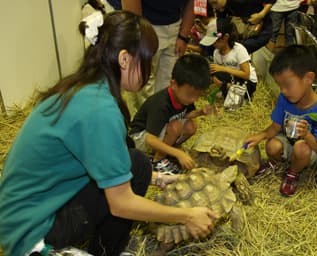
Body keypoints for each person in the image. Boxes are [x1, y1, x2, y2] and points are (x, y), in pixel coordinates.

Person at [0, 11, 217, 256]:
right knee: (133, 176)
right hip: (30, 231)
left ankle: (106, 250)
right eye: (146, 61)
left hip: (28, 209)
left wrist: (158, 178)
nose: (149, 69)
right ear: (124, 59)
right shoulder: (99, 109)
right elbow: (121, 202)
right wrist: (187, 215)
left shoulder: (85, 86)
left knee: (138, 165)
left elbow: (113, 160)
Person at [245, 45, 317, 196]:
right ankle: (276, 163)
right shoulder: (285, 98)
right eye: (280, 86)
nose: (283, 91)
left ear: (308, 78)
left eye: (287, 85)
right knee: (271, 145)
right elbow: (275, 127)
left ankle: (293, 173)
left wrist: (307, 135)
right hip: (286, 140)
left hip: (306, 148)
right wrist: (260, 136)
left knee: (301, 148)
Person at [106, 0, 196, 117]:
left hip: (174, 22)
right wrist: (137, 35)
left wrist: (183, 36)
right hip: (144, 20)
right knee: (142, 82)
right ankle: (140, 124)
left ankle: (159, 120)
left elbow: (194, 3)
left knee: (167, 82)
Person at [130, 54, 215, 175]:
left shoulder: (183, 98)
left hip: (160, 132)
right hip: (140, 138)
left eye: (198, 95)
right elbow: (150, 139)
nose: (193, 99)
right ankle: (157, 161)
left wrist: (200, 112)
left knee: (191, 126)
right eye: (190, 94)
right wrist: (177, 153)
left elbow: (185, 116)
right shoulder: (160, 104)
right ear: (174, 84)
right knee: (176, 127)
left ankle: (167, 152)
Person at [200, 18, 258, 98]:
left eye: (215, 41)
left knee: (222, 77)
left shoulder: (238, 49)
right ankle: (227, 90)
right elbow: (218, 73)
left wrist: (223, 69)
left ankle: (236, 93)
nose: (213, 44)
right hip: (233, 78)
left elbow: (246, 74)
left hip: (248, 82)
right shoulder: (216, 52)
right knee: (215, 74)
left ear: (226, 37)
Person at [208, 0, 277, 54]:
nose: (214, 7)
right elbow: (219, 30)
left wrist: (261, 14)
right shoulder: (221, 10)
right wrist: (211, 34)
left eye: (215, 3)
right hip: (238, 32)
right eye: (211, 4)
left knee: (239, 50)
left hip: (260, 29)